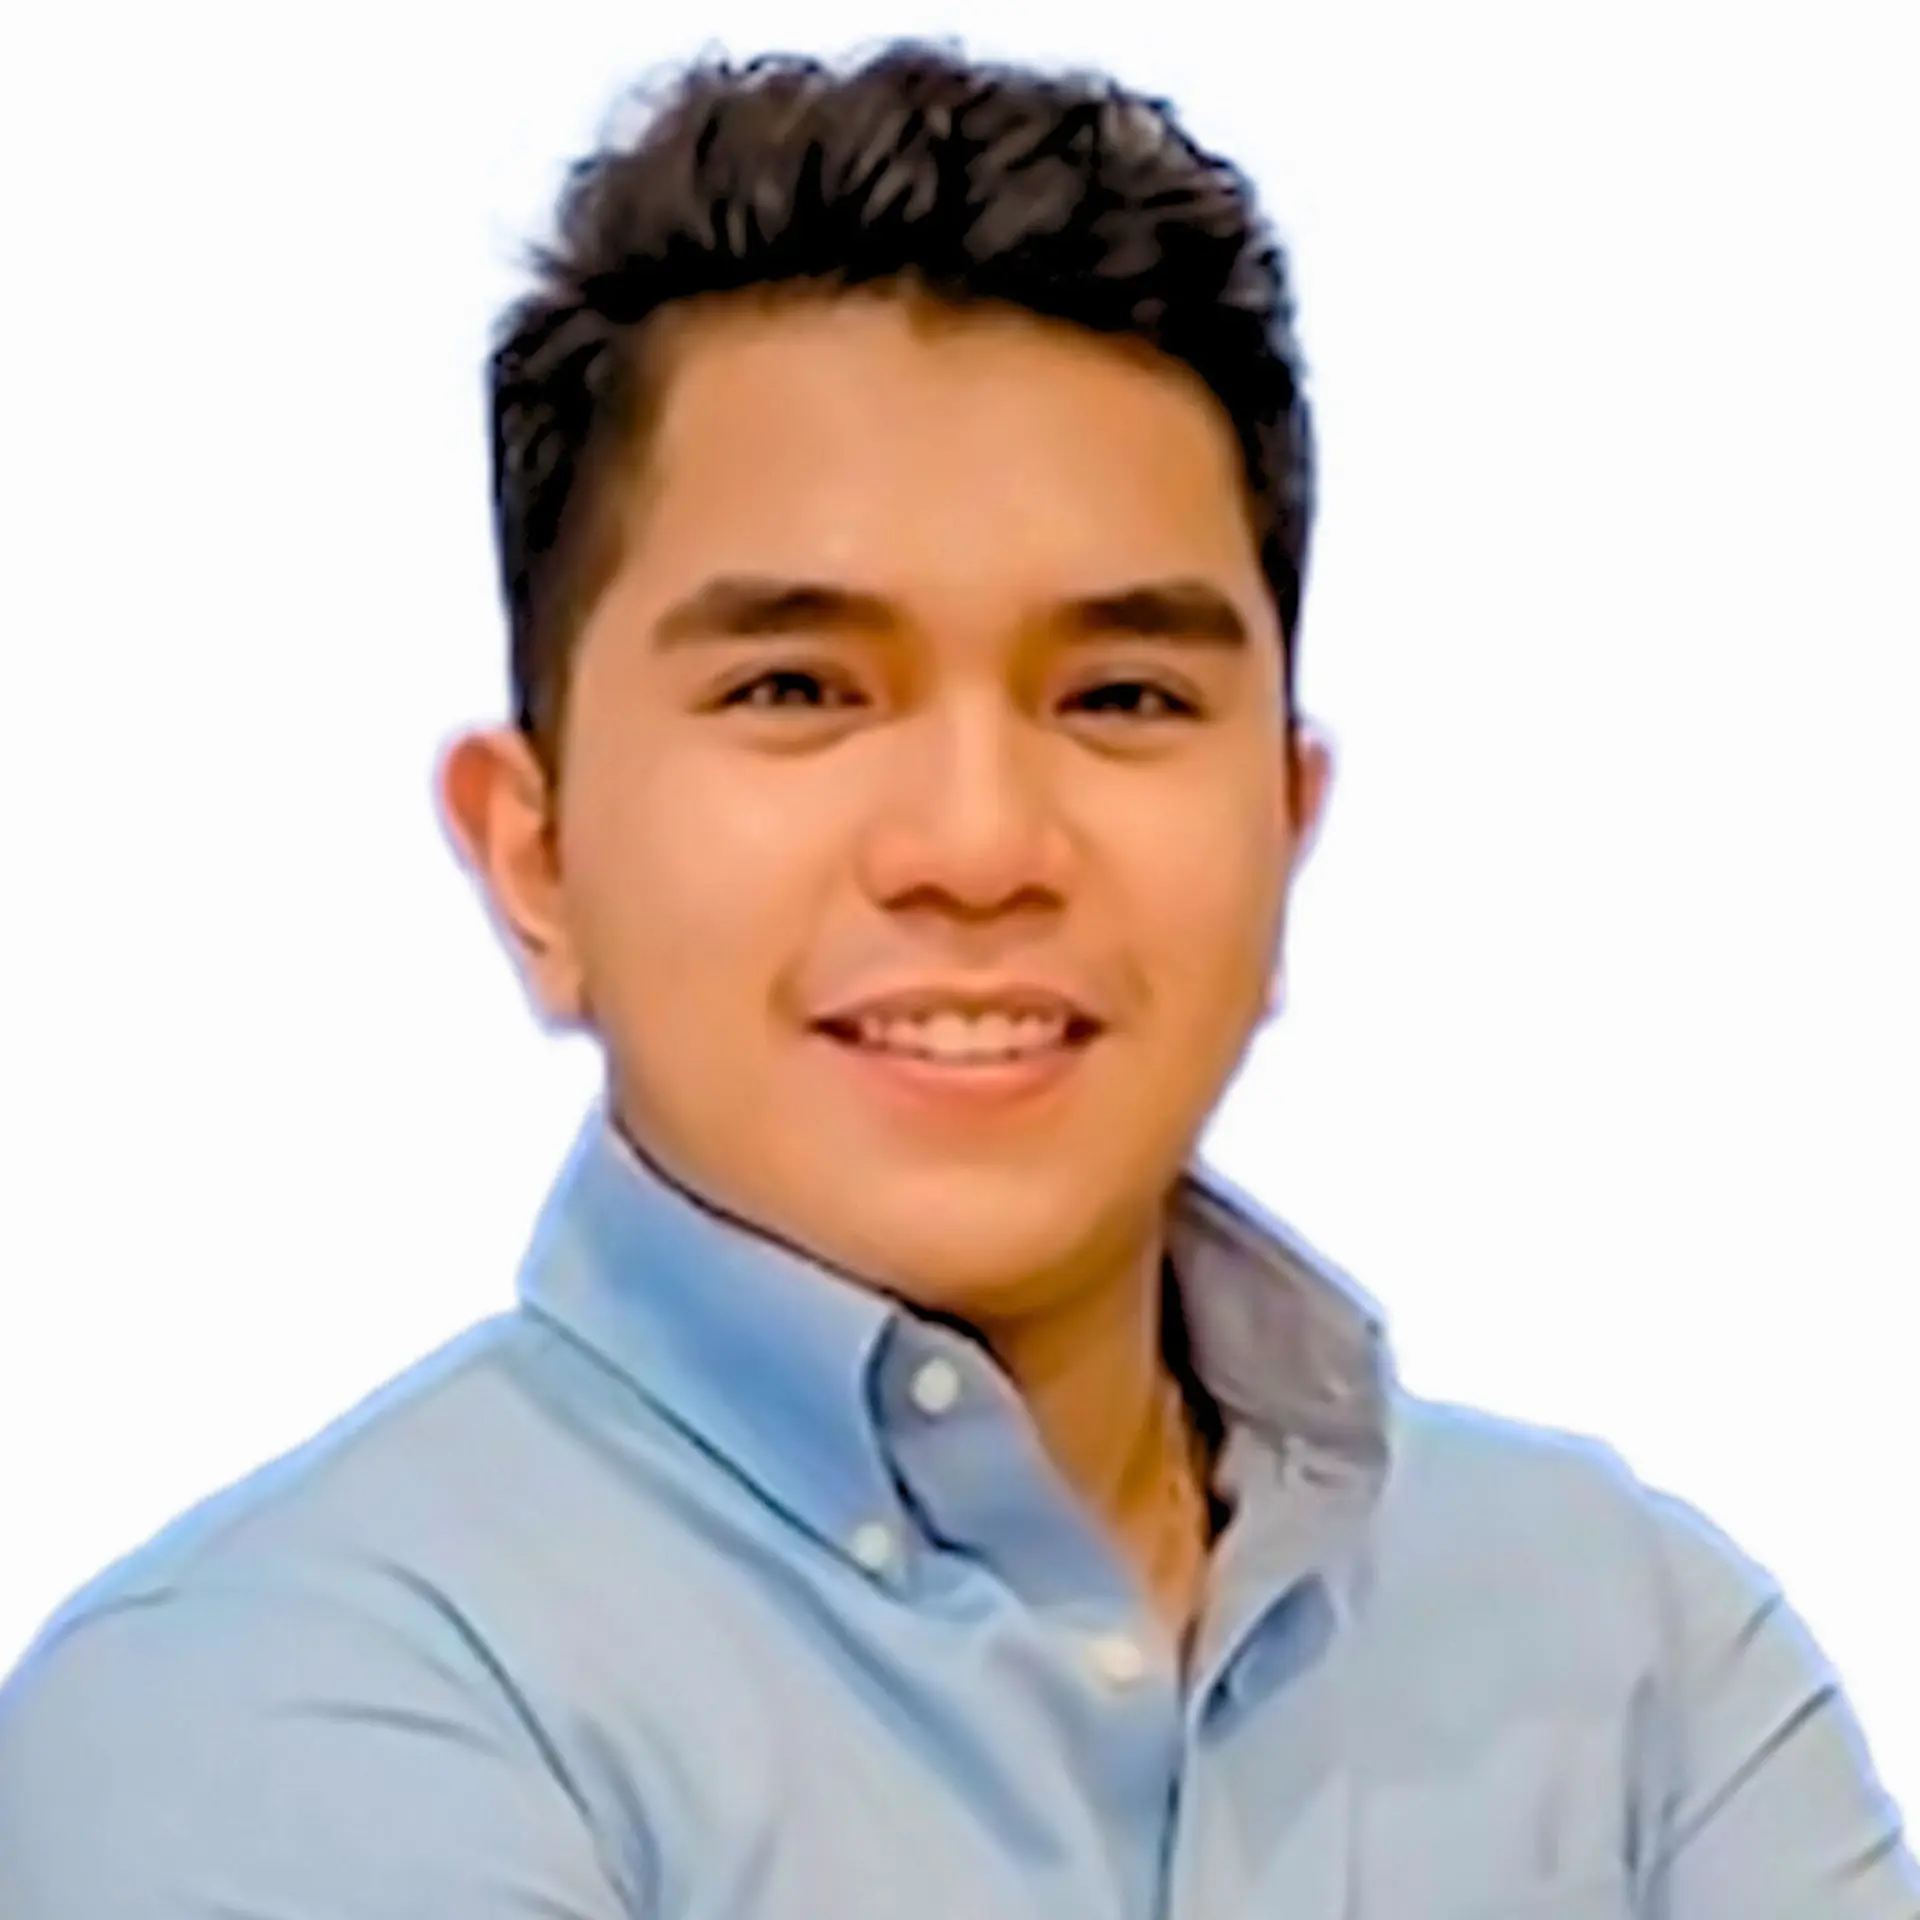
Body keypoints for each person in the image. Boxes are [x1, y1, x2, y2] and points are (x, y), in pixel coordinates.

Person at [0, 37, 1910, 1920]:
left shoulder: (1638, 1665)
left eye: (1123, 696)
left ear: (1285, 821)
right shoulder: (273, 1706)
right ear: (536, 856)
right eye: (798, 689)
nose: (980, 845)